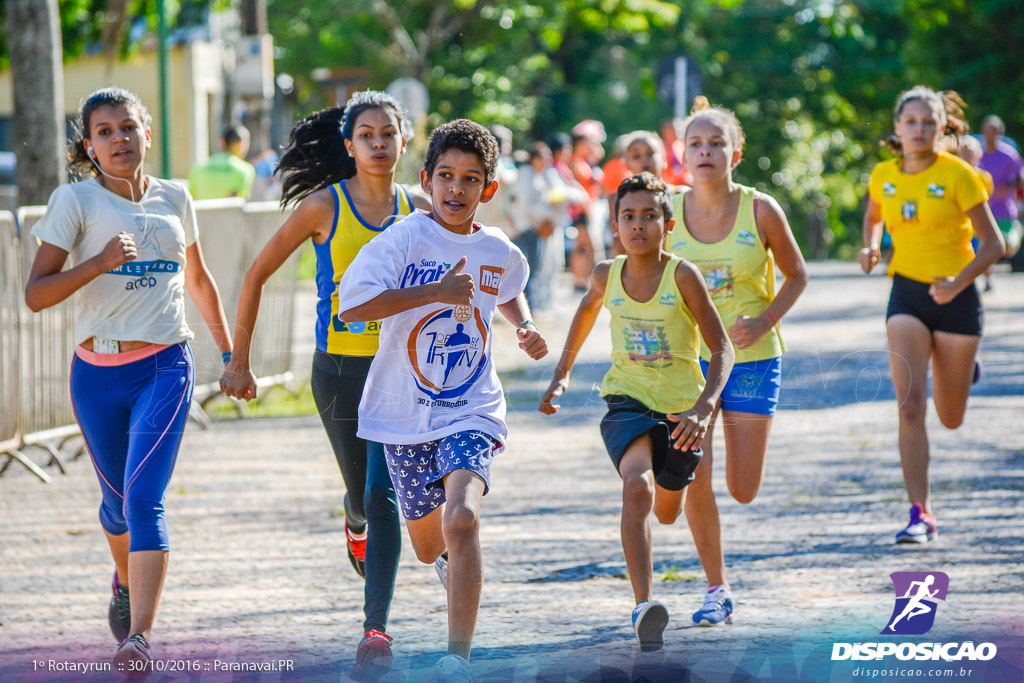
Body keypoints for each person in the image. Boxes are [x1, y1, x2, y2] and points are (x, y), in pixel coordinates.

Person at [218, 91, 427, 681]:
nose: (379, 144)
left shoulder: (421, 209)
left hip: (400, 372)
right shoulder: (323, 208)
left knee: (387, 496)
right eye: (367, 135)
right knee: (364, 496)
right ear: (349, 145)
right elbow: (257, 274)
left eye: (389, 133)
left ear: (404, 141)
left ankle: (375, 630)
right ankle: (352, 520)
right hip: (337, 370)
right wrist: (239, 361)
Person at [24, 87, 232, 674]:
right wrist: (97, 264)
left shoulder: (176, 197)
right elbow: (35, 294)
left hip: (165, 364)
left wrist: (231, 353)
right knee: (115, 507)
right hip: (96, 374)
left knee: (144, 501)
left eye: (129, 128)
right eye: (106, 132)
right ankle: (124, 579)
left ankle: (138, 639)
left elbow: (199, 279)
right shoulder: (74, 201)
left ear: (147, 133)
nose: (120, 139)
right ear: (89, 145)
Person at [337, 119, 548, 681]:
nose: (457, 190)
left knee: (462, 518)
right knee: (430, 546)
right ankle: (452, 566)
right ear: (427, 180)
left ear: (489, 189)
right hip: (402, 416)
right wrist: (436, 291)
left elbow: (506, 285)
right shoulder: (404, 238)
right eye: (447, 177)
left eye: (471, 179)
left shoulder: (496, 248)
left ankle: (457, 656)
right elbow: (352, 308)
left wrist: (524, 324)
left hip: (471, 404)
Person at [539, 172, 733, 651]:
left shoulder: (682, 275)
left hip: (684, 412)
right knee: (636, 485)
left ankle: (712, 582)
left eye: (649, 216)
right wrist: (561, 374)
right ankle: (645, 605)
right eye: (628, 216)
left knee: (668, 510)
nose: (638, 224)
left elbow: (722, 347)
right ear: (615, 225)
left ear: (668, 225)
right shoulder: (607, 274)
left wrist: (705, 408)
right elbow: (585, 315)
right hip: (627, 399)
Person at [668, 97, 808, 626]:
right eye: (696, 144)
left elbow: (797, 274)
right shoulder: (668, 213)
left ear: (736, 153)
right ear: (683, 155)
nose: (706, 151)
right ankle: (715, 588)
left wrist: (766, 319)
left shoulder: (760, 209)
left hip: (751, 359)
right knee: (695, 476)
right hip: (690, 364)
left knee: (743, 488)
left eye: (716, 143)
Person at [861, 86, 1003, 544]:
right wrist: (869, 247)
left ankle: (960, 371)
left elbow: (996, 245)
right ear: (897, 127)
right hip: (907, 296)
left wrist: (957, 283)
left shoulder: (960, 175)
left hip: (957, 299)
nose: (919, 129)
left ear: (942, 128)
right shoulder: (883, 174)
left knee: (951, 415)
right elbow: (874, 216)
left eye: (928, 122)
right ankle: (920, 512)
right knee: (909, 407)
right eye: (911, 121)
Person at [978, 115, 1024, 267]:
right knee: (984, 246)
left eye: (994, 131)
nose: (990, 134)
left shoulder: (1009, 154)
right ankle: (988, 279)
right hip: (984, 209)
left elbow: (1020, 176)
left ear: (1000, 133)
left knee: (1007, 246)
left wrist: (1010, 188)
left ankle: (1017, 231)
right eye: (987, 131)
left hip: (1004, 209)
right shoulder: (979, 155)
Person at [955, 136, 996, 291]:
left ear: (977, 154)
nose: (966, 156)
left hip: (977, 224)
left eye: (969, 152)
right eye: (963, 152)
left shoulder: (984, 177)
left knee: (984, 251)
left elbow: (986, 200)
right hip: (961, 223)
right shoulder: (955, 176)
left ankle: (988, 278)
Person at [188, 122, 257, 200]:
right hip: (228, 212)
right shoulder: (246, 170)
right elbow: (238, 202)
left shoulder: (198, 167)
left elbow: (190, 197)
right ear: (240, 144)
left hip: (201, 212)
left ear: (222, 142)